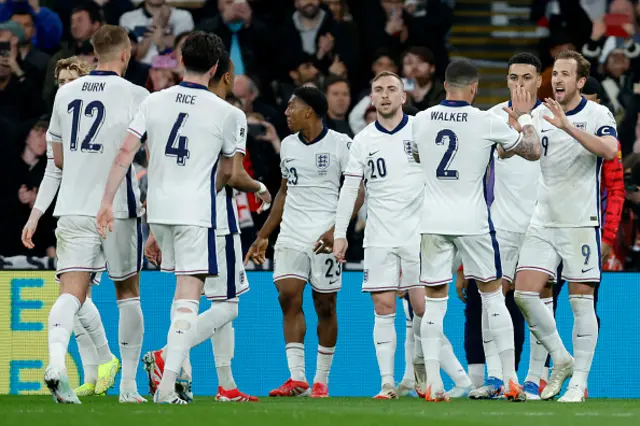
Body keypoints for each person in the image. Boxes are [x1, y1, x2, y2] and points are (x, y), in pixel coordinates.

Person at [97, 31, 234, 405]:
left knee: (180, 298)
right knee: (189, 297)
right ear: (217, 67)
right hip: (195, 212)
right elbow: (227, 173)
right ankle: (167, 384)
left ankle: (173, 376)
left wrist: (107, 201)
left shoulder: (154, 101)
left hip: (157, 211)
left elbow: (126, 152)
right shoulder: (228, 113)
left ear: (179, 61)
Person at [333, 70, 471, 399]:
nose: (384, 95)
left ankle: (461, 380)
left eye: (391, 89)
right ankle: (387, 383)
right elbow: (351, 187)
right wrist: (341, 233)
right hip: (379, 235)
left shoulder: (422, 129)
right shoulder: (364, 140)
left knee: (424, 308)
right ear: (371, 98)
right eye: (378, 89)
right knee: (383, 308)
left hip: (419, 235)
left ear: (403, 97)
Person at [142, 50, 271, 403]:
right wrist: (260, 188)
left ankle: (221, 385)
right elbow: (231, 173)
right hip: (215, 219)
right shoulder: (227, 114)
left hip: (172, 214)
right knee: (227, 305)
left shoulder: (169, 107)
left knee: (196, 298)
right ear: (225, 76)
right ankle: (167, 356)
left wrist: (155, 227)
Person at [412, 58, 541, 402]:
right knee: (493, 296)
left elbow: (415, 157)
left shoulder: (421, 121)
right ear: (474, 88)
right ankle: (511, 380)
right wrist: (526, 120)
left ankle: (434, 385)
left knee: (435, 304)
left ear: (444, 85)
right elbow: (532, 151)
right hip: (473, 221)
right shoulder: (486, 121)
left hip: (433, 219)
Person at [45, 25, 149, 404]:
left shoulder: (65, 93)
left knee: (71, 293)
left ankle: (57, 364)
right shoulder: (138, 94)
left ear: (93, 53)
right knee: (127, 294)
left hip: (72, 204)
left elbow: (57, 158)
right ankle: (128, 387)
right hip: (117, 207)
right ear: (125, 54)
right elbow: (144, 153)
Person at [513, 50, 619, 403]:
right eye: (554, 73)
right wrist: (515, 138)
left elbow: (609, 151)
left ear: (580, 81)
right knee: (524, 294)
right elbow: (532, 152)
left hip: (579, 221)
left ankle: (578, 384)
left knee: (581, 303)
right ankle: (560, 358)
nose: (556, 79)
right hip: (543, 219)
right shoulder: (541, 114)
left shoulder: (597, 113)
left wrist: (568, 127)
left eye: (564, 74)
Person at [244, 86, 355, 398]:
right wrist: (263, 235)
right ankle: (297, 378)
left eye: (292, 107)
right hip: (292, 232)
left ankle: (321, 381)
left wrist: (338, 230)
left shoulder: (341, 144)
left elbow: (357, 191)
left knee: (325, 306)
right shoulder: (289, 145)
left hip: (326, 235)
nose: (286, 113)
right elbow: (283, 192)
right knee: (288, 296)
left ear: (310, 111)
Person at [21, 56, 118, 398]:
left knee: (74, 295)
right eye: (60, 82)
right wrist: (35, 215)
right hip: (79, 214)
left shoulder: (103, 116)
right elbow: (53, 170)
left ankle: (86, 365)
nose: (64, 88)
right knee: (78, 297)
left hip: (103, 213)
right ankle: (99, 370)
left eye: (70, 81)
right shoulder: (59, 126)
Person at [464, 53, 547, 401]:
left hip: (543, 224)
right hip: (500, 223)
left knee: (538, 299)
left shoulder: (552, 117)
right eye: (514, 78)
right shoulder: (492, 117)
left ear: (540, 80)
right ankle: (498, 377)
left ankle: (535, 378)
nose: (520, 85)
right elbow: (476, 173)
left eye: (527, 78)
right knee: (491, 296)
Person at [543, 75, 625, 399]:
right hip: (551, 226)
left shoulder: (602, 140)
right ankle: (550, 371)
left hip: (586, 229)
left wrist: (608, 235)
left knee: (584, 302)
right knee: (541, 300)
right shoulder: (555, 136)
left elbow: (615, 191)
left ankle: (581, 379)